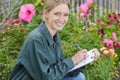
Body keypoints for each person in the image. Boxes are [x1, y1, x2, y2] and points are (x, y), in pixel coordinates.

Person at [9, 0, 100, 80]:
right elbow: (46, 77)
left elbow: (59, 71)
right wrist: (72, 61)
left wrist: (84, 59)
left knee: (79, 77)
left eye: (65, 15)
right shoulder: (36, 39)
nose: (61, 19)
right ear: (46, 14)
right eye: (57, 14)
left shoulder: (55, 37)